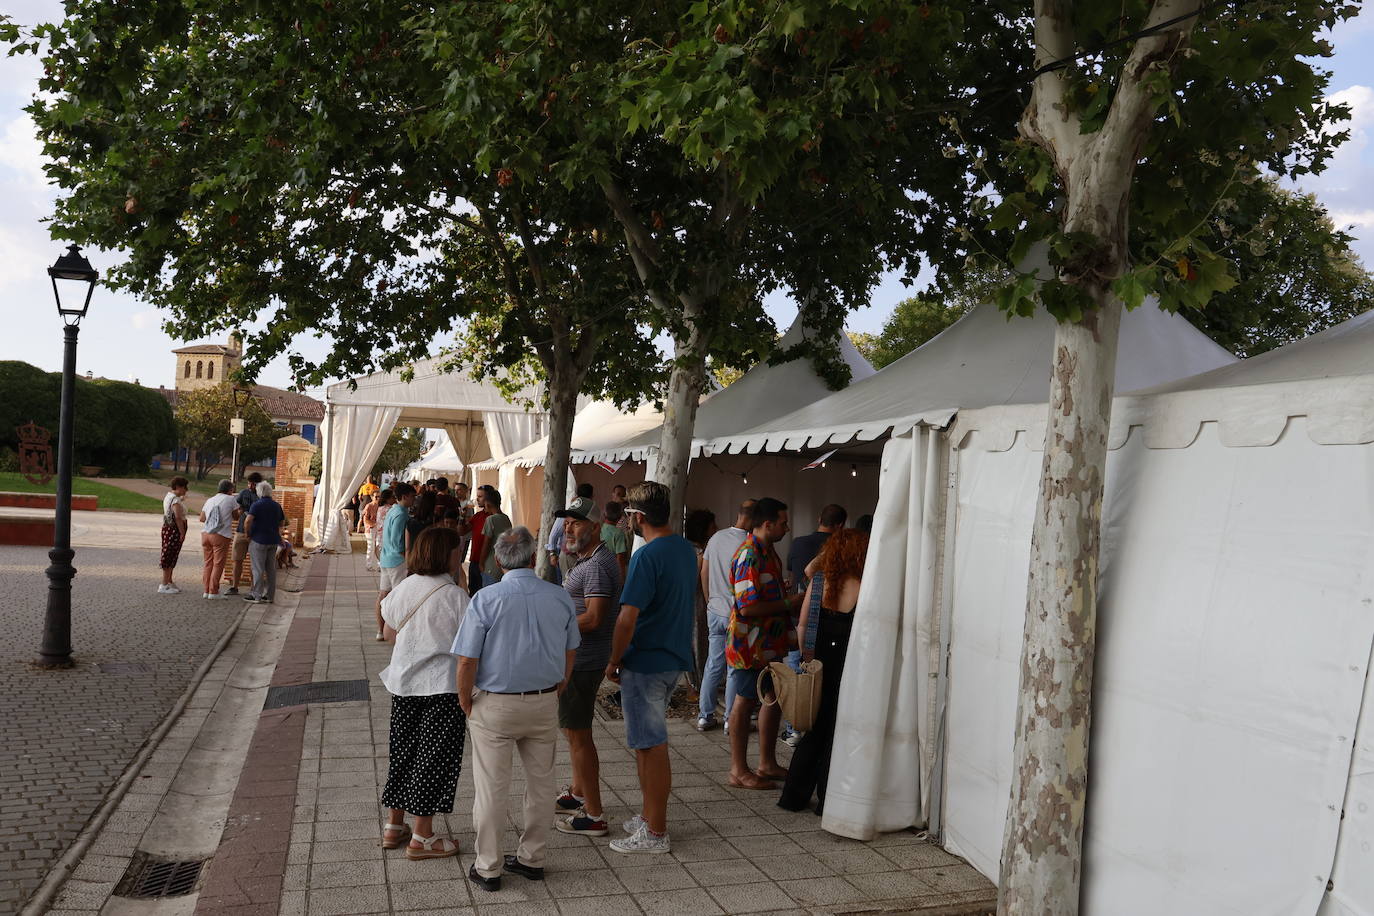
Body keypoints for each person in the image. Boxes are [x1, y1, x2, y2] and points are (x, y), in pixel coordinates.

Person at [454, 527, 579, 892]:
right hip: (542, 700)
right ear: (532, 556)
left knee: (492, 787)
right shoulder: (559, 597)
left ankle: (489, 866)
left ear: (497, 559)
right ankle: (532, 858)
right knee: (542, 785)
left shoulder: (485, 599)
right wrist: (561, 684)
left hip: (495, 704)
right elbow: (571, 650)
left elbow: (466, 659)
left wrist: (465, 699)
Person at [604, 481, 696, 854]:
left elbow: (627, 617)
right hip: (671, 656)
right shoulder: (684, 549)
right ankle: (648, 816)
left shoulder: (647, 555)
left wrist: (613, 659)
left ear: (637, 516)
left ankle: (656, 831)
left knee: (651, 746)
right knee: (646, 745)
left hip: (646, 659)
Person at [378, 526, 471, 860]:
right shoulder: (456, 596)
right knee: (432, 759)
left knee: (403, 753)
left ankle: (394, 825)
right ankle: (423, 836)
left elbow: (389, 633)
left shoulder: (406, 586)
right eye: (457, 551)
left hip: (403, 684)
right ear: (446, 555)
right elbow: (469, 647)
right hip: (441, 688)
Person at [778, 527, 869, 814]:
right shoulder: (865, 585)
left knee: (814, 730)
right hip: (848, 663)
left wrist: (805, 658)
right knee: (838, 731)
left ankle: (793, 796)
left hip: (818, 662)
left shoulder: (820, 582)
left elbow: (803, 623)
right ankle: (828, 799)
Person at [552, 504, 622, 837]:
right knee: (574, 732)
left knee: (579, 736)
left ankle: (593, 814)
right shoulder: (592, 560)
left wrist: (552, 622)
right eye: (566, 524)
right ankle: (579, 791)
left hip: (581, 662)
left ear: (594, 526)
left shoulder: (595, 566)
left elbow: (594, 618)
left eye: (575, 524)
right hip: (581, 659)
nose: (568, 529)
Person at [726, 497, 803, 789]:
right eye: (783, 523)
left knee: (772, 698)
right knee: (745, 702)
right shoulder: (749, 554)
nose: (787, 527)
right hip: (751, 646)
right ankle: (738, 770)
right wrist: (788, 601)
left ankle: (766, 763)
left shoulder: (768, 551)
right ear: (767, 524)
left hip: (769, 643)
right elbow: (747, 607)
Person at [697, 499, 754, 731]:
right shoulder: (750, 544)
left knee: (713, 664)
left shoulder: (717, 537)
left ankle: (705, 715)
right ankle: (731, 719)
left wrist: (709, 599)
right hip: (736, 614)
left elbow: (704, 570)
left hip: (715, 610)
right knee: (734, 668)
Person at [377, 482, 417, 641]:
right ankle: (396, 631)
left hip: (386, 558)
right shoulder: (401, 513)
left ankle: (381, 630)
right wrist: (406, 557)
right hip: (397, 560)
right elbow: (396, 540)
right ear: (405, 496)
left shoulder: (393, 510)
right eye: (413, 496)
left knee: (383, 595)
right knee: (399, 597)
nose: (414, 499)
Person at [787, 505, 847, 594]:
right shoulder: (841, 546)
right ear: (840, 525)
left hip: (797, 601)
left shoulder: (797, 542)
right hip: (826, 601)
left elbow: (792, 575)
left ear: (819, 520)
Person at [243, 482, 285, 604]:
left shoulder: (256, 505)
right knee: (271, 569)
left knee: (258, 568)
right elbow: (282, 523)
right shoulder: (277, 505)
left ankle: (257, 595)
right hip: (273, 540)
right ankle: (270, 595)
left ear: (259, 492)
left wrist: (247, 534)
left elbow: (248, 521)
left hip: (258, 540)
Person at [198, 479, 237, 599]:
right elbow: (236, 516)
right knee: (218, 564)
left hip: (205, 534)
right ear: (230, 490)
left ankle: (206, 590)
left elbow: (202, 518)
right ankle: (213, 591)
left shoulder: (210, 500)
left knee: (208, 563)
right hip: (221, 535)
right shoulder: (231, 499)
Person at [227, 472, 264, 595]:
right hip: (240, 531)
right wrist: (239, 512)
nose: (250, 486)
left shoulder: (262, 495)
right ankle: (234, 586)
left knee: (255, 562)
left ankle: (254, 588)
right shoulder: (243, 493)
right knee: (237, 560)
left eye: (253, 484)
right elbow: (238, 509)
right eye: (249, 483)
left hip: (256, 533)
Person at [158, 476, 190, 594]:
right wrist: (182, 533)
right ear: (178, 487)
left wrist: (182, 498)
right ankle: (164, 584)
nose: (186, 490)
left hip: (167, 529)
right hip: (174, 531)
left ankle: (169, 581)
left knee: (171, 554)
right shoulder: (175, 501)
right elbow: (177, 516)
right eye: (184, 487)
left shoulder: (170, 497)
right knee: (170, 555)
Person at [479, 490, 513, 586]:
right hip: (503, 565)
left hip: (490, 566)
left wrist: (481, 563)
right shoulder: (506, 518)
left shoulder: (490, 520)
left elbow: (486, 544)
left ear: (488, 504)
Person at [467, 487, 492, 595]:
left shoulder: (494, 518)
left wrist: (482, 563)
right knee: (473, 593)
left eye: (480, 496)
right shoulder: (477, 515)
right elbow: (462, 531)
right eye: (477, 496)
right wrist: (461, 518)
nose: (477, 499)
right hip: (474, 562)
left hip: (487, 563)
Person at [600, 501, 630, 577]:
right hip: (612, 571)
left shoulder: (599, 528)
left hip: (599, 568)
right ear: (620, 516)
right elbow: (620, 558)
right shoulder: (618, 533)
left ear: (604, 514)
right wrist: (622, 578)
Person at [362, 489, 382, 571]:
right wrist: (374, 525)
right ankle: (369, 565)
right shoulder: (369, 506)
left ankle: (380, 565)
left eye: (379, 496)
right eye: (376, 497)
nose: (378, 498)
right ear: (371, 497)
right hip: (371, 529)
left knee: (379, 547)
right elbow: (365, 520)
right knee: (371, 548)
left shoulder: (380, 506)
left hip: (379, 529)